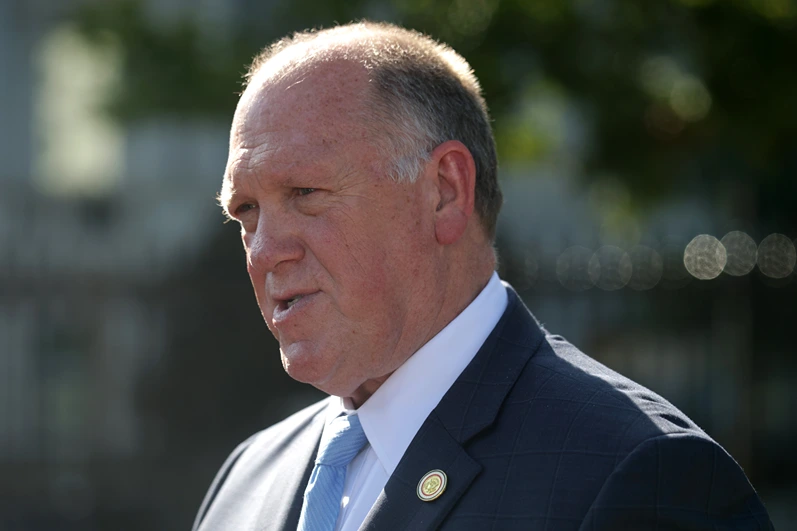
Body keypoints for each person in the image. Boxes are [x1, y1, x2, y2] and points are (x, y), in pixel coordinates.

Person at [192, 21, 772, 531]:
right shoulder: (247, 481)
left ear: (445, 191)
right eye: (246, 212)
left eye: (306, 193)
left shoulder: (637, 478)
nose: (265, 250)